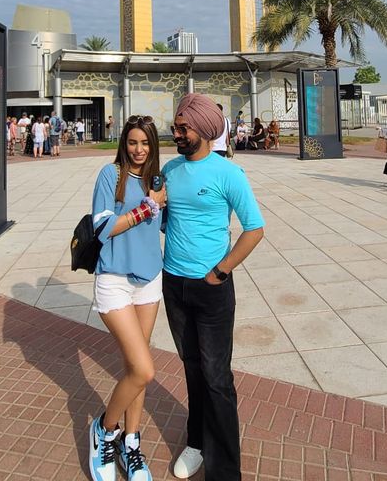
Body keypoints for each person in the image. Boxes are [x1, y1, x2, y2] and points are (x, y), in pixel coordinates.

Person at [162, 93, 264, 481]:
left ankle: (223, 469)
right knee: (191, 368)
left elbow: (254, 228)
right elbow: (163, 215)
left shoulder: (228, 174)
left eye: (183, 128)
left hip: (212, 288)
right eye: (176, 127)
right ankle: (196, 442)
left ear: (204, 130)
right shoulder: (170, 170)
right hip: (174, 283)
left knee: (217, 377)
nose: (177, 133)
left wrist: (220, 271)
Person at [88, 115, 166, 481]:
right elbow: (103, 228)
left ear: (153, 146)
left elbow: (165, 224)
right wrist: (147, 207)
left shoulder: (157, 181)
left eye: (145, 143)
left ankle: (131, 442)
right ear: (124, 143)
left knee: (137, 369)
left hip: (149, 278)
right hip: (115, 279)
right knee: (144, 369)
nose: (138, 150)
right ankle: (105, 430)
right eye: (133, 142)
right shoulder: (110, 175)